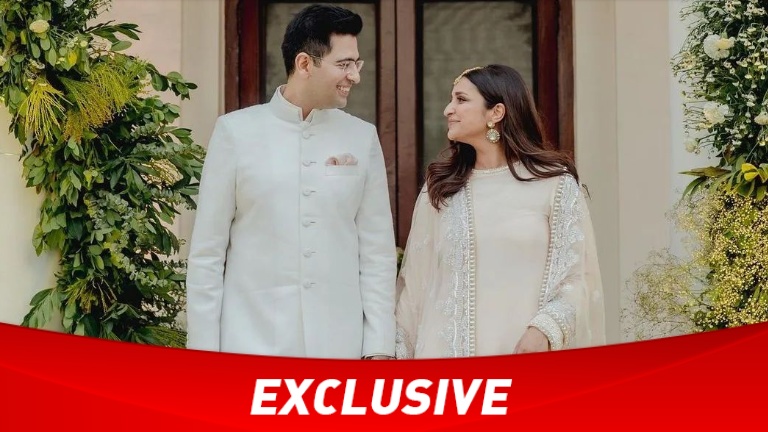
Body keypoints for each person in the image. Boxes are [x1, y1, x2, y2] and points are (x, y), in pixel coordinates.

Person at [185, 4, 397, 359]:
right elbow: (207, 254)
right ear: (304, 64)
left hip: (338, 347)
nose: (355, 76)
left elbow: (377, 253)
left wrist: (379, 348)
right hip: (249, 344)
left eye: (356, 64)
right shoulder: (235, 132)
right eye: (344, 64)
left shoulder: (362, 137)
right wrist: (204, 354)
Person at [394, 65, 605, 359]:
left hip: (524, 357)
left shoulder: (554, 184)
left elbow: (578, 277)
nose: (448, 110)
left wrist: (543, 330)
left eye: (461, 100)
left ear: (496, 112)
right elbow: (414, 290)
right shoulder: (441, 188)